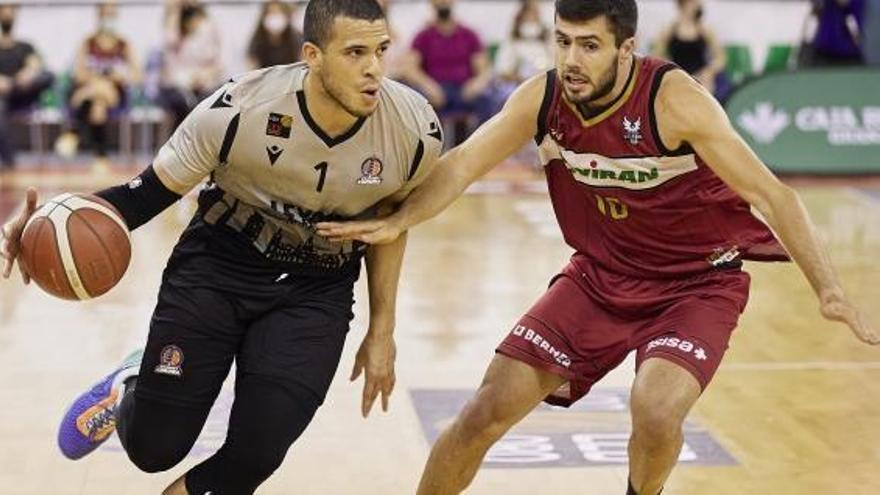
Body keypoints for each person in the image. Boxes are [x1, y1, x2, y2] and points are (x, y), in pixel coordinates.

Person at [317, 0, 879, 494]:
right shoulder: (543, 97)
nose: (571, 60)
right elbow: (463, 162)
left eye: (589, 45)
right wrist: (402, 219)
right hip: (599, 278)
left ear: (626, 48)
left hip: (697, 284)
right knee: (482, 413)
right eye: (562, 41)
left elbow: (773, 195)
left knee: (656, 410)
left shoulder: (674, 100)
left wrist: (828, 289)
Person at [1, 0, 442, 493]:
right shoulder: (237, 110)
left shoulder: (413, 128)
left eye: (382, 50)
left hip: (316, 290)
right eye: (356, 52)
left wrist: (383, 329)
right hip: (217, 267)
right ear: (312, 55)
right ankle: (128, 382)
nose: (375, 69)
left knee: (257, 452)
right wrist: (45, 222)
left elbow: (390, 223)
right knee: (153, 450)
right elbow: (144, 196)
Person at [56, 1, 141, 167]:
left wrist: (118, 77)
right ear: (98, 15)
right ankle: (101, 156)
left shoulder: (124, 44)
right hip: (92, 90)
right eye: (104, 13)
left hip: (112, 93)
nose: (108, 17)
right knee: (98, 106)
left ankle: (73, 133)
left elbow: (137, 76)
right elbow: (79, 74)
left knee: (100, 92)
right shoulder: (87, 42)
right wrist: (97, 81)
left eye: (111, 13)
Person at [407, 0, 493, 144]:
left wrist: (476, 84)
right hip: (435, 90)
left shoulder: (469, 34)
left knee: (487, 99)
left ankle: (479, 147)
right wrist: (428, 85)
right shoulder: (423, 36)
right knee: (415, 100)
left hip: (464, 90)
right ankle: (427, 149)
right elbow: (410, 68)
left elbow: (484, 70)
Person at [0, 3, 54, 169]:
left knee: (48, 75)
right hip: (3, 97)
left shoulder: (25, 46)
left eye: (11, 10)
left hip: (23, 92)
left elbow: (35, 64)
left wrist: (27, 73)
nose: (8, 13)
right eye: (4, 9)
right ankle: (9, 162)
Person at [158, 0, 223, 129]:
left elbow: (219, 63)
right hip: (177, 86)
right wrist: (175, 9)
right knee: (183, 104)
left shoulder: (210, 27)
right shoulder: (175, 28)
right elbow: (169, 40)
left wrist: (205, 76)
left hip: (205, 83)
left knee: (210, 103)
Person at [653, 0, 730, 101]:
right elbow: (656, 55)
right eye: (694, 3)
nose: (698, 5)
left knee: (704, 88)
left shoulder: (705, 30)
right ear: (684, 4)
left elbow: (721, 57)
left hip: (700, 77)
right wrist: (670, 69)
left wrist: (709, 71)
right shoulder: (669, 30)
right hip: (677, 76)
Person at [247, 0, 303, 69]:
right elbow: (252, 65)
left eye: (278, 12)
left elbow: (302, 64)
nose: (275, 17)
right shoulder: (257, 40)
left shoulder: (296, 38)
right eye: (271, 13)